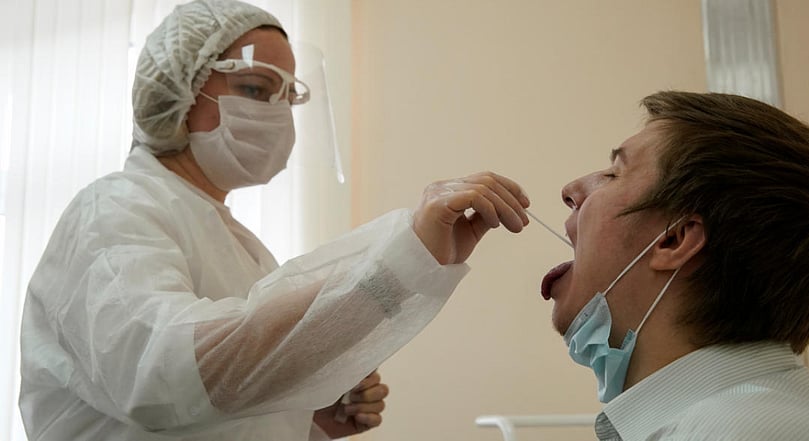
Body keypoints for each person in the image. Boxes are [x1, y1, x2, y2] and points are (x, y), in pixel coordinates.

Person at [18, 1, 529, 440]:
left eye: (289, 97)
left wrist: (304, 416)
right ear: (179, 91)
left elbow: (216, 400)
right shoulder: (112, 212)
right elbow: (161, 375)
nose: (278, 114)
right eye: (257, 89)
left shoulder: (237, 243)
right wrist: (402, 256)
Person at [540, 91, 809, 440]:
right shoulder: (737, 420)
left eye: (615, 174)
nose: (571, 191)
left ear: (674, 239)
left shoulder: (745, 430)